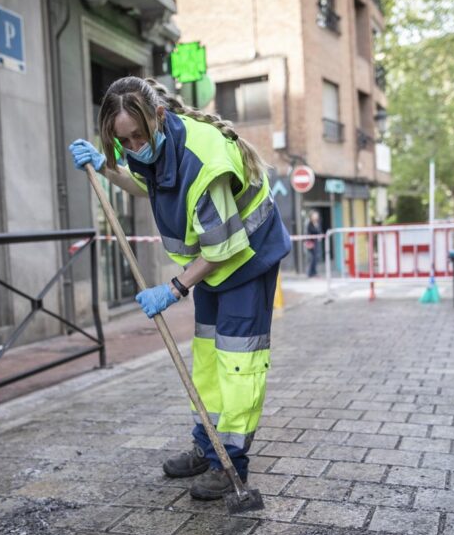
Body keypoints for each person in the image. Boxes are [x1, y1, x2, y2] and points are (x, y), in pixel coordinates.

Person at [68, 77, 290, 501]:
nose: (133, 147)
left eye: (138, 136)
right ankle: (207, 446)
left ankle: (230, 462)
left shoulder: (203, 162)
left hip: (247, 260)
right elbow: (144, 185)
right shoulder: (151, 147)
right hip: (210, 265)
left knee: (238, 364)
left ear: (160, 118)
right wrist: (105, 166)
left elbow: (223, 248)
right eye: (123, 141)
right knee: (207, 358)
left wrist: (173, 289)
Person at [304, 210, 323, 277]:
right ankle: (310, 273)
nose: (316, 217)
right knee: (313, 258)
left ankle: (314, 272)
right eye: (314, 216)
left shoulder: (318, 223)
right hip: (311, 243)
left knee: (316, 258)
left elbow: (319, 231)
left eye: (316, 216)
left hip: (316, 242)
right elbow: (311, 231)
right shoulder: (310, 224)